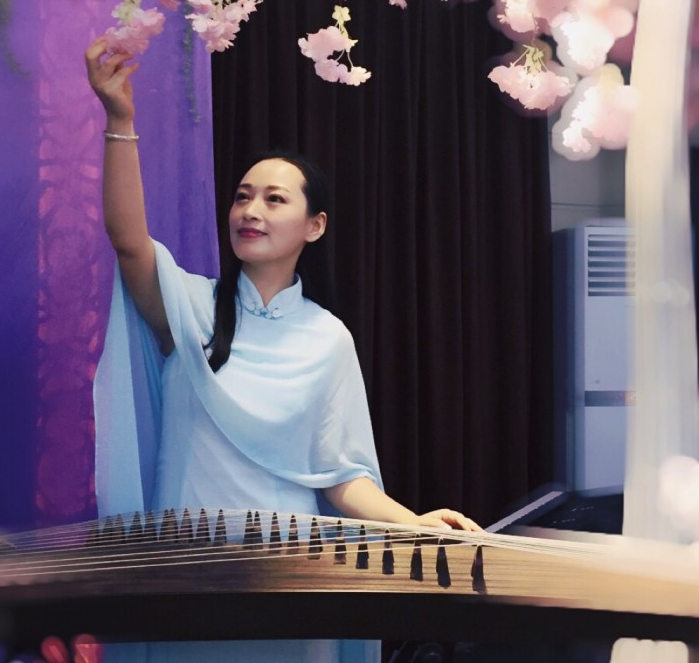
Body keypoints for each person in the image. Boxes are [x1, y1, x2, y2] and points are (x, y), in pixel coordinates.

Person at [85, 35, 480, 663]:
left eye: (274, 199)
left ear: (314, 226)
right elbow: (129, 240)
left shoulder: (328, 338)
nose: (251, 210)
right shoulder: (190, 308)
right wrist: (119, 117)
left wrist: (415, 523)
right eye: (243, 195)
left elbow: (343, 480)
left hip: (291, 577)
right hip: (188, 574)